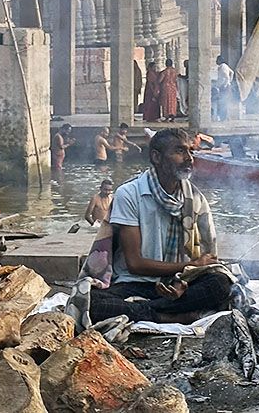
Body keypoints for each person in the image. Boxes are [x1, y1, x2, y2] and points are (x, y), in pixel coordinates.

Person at [87, 129, 232, 323]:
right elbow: (135, 264)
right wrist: (189, 265)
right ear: (156, 157)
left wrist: (183, 281)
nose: (189, 158)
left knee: (220, 285)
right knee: (93, 303)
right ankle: (167, 314)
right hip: (135, 283)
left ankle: (149, 311)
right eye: (180, 152)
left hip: (179, 281)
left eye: (190, 151)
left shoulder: (195, 198)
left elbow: (205, 261)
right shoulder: (129, 194)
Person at [213, 55, 234, 121]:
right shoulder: (225, 65)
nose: (216, 61)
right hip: (226, 86)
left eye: (217, 60)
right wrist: (229, 81)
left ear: (220, 60)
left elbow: (225, 76)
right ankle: (225, 117)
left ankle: (223, 118)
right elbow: (232, 73)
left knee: (222, 102)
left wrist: (220, 85)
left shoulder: (222, 66)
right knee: (224, 102)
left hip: (224, 87)